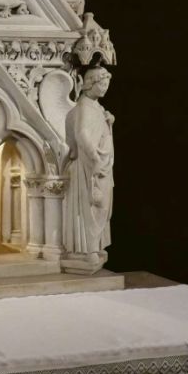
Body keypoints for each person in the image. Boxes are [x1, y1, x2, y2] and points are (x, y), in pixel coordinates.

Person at [63, 67, 114, 264]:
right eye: (102, 84)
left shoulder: (97, 107)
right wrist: (94, 157)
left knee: (101, 207)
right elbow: (82, 134)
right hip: (90, 165)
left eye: (107, 84)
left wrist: (109, 122)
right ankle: (88, 249)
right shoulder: (84, 106)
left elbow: (99, 130)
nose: (105, 88)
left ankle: (96, 246)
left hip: (102, 163)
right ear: (90, 83)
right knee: (92, 207)